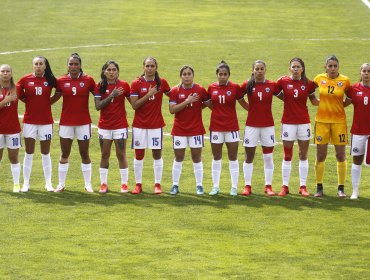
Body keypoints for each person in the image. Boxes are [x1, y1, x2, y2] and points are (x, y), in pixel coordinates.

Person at [53, 53, 96, 193]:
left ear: (80, 65)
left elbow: (98, 95)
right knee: (64, 153)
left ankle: (88, 184)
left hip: (83, 123)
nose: (73, 66)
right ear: (67, 65)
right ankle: (61, 184)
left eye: (76, 64)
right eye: (71, 64)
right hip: (66, 123)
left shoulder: (88, 80)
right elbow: (54, 98)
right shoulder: (61, 81)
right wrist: (37, 102)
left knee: (84, 153)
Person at [276, 58, 319, 197]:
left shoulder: (308, 83)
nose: (295, 69)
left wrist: (330, 100)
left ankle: (303, 186)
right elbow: (276, 92)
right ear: (289, 69)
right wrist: (288, 100)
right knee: (287, 154)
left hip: (303, 123)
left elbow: (313, 101)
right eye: (293, 67)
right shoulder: (282, 81)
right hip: (288, 122)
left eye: (298, 67)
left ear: (302, 69)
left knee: (303, 154)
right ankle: (285, 186)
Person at [207, 61, 249, 196]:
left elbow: (243, 102)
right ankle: (215, 187)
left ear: (229, 75)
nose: (223, 76)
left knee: (233, 157)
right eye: (220, 74)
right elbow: (207, 102)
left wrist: (255, 111)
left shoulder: (235, 88)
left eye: (225, 74)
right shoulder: (211, 88)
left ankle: (234, 187)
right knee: (216, 157)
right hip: (216, 127)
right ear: (217, 75)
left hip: (232, 127)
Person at [130, 56, 171, 194]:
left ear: (156, 68)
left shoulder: (162, 83)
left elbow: (173, 95)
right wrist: (148, 94)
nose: (149, 68)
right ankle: (138, 184)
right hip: (139, 125)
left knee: (157, 154)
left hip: (156, 124)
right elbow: (134, 105)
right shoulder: (136, 83)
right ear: (143, 67)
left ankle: (157, 184)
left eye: (152, 66)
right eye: (147, 66)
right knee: (139, 154)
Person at [16, 56, 57, 192]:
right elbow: (18, 90)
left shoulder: (50, 79)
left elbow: (60, 90)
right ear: (33, 66)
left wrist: (49, 102)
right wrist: (25, 100)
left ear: (45, 66)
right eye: (36, 64)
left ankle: (48, 183)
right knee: (29, 152)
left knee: (46, 153)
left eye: (41, 64)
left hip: (46, 122)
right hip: (29, 122)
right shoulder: (25, 79)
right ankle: (26, 183)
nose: (38, 66)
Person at [240, 60, 280, 196]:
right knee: (249, 156)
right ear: (253, 70)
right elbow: (239, 97)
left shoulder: (271, 85)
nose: (259, 71)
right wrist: (249, 108)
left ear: (265, 70)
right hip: (251, 126)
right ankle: (247, 186)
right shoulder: (247, 84)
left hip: (268, 126)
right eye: (257, 69)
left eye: (262, 69)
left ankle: (268, 186)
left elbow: (284, 96)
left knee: (268, 157)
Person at [313, 55, 351, 198]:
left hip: (339, 122)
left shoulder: (345, 81)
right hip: (322, 122)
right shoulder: (319, 78)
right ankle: (319, 187)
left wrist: (341, 106)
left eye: (335, 66)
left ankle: (341, 188)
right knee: (321, 155)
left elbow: (351, 97)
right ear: (325, 67)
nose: (333, 68)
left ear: (338, 67)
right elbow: (309, 91)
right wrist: (315, 101)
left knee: (340, 155)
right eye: (330, 66)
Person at [168, 65, 208, 195]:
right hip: (179, 130)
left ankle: (199, 185)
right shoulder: (175, 90)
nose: (186, 76)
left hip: (196, 130)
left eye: (189, 74)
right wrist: (187, 101)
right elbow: (172, 110)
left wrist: (197, 107)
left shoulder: (200, 89)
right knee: (178, 157)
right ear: (181, 76)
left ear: (193, 75)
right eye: (184, 74)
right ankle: (175, 185)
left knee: (196, 157)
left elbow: (208, 104)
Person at [94, 60, 131, 193]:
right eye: (108, 70)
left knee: (121, 154)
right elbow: (98, 106)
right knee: (105, 154)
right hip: (104, 126)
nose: (111, 72)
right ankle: (103, 184)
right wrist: (112, 95)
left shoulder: (124, 85)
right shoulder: (99, 86)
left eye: (114, 69)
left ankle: (124, 184)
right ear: (104, 72)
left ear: (118, 71)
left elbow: (134, 102)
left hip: (120, 126)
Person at [347, 63, 370, 199]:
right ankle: (355, 191)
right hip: (358, 131)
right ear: (360, 72)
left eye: (369, 71)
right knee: (357, 160)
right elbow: (343, 103)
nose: (366, 73)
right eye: (364, 71)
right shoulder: (353, 89)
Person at [0, 64, 21, 192]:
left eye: (8, 71)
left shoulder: (17, 88)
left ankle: (16, 184)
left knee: (13, 157)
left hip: (13, 129)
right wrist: (5, 100)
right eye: (3, 71)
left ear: (11, 74)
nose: (5, 73)